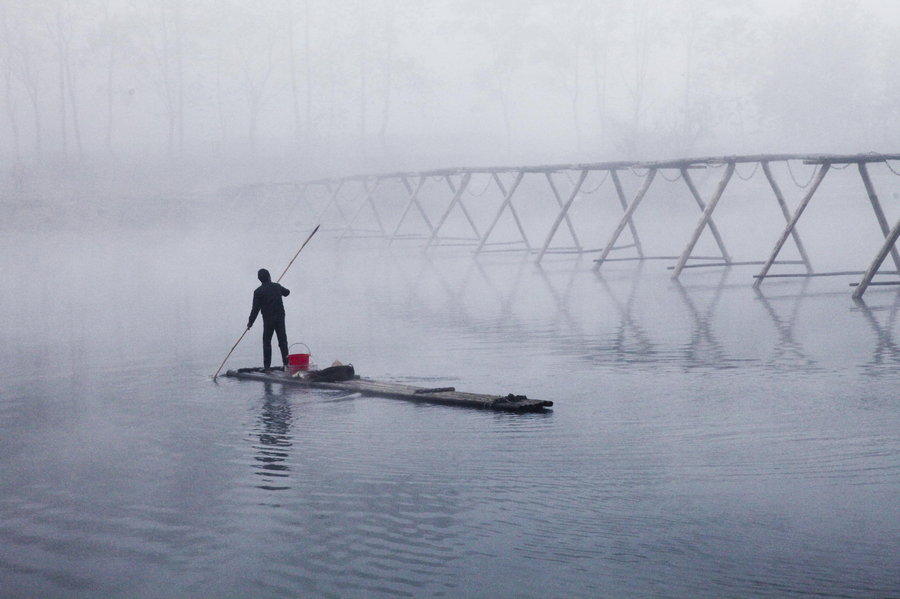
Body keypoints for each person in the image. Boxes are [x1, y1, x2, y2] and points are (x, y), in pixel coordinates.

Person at [247, 268, 290, 371]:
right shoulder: (277, 286)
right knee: (283, 341)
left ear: (260, 280)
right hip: (280, 318)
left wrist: (250, 322)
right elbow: (287, 293)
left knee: (267, 342)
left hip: (268, 320)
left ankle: (267, 367)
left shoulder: (258, 292)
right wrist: (278, 288)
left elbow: (255, 309)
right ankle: (286, 364)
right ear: (269, 276)